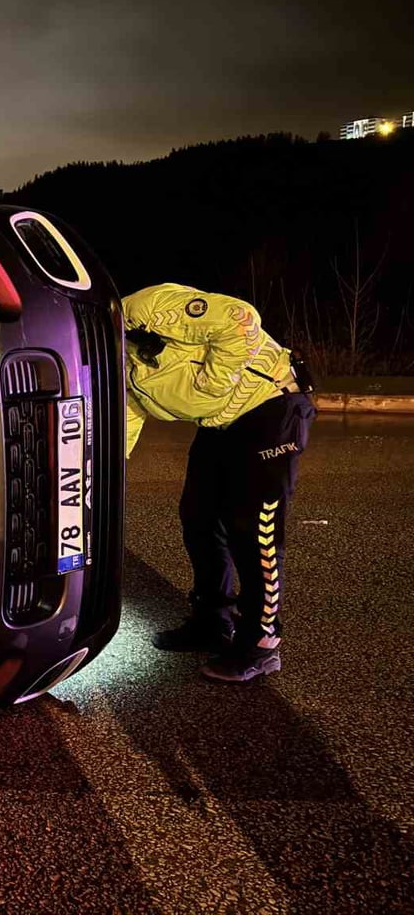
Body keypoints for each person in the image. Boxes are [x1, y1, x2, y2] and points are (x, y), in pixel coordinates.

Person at [123, 283, 316, 683]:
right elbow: (127, 412)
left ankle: (261, 642)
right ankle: (212, 621)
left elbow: (239, 320)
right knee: (198, 518)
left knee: (254, 529)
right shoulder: (107, 356)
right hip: (219, 423)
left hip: (271, 406)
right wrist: (104, 477)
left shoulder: (145, 309)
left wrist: (210, 387)